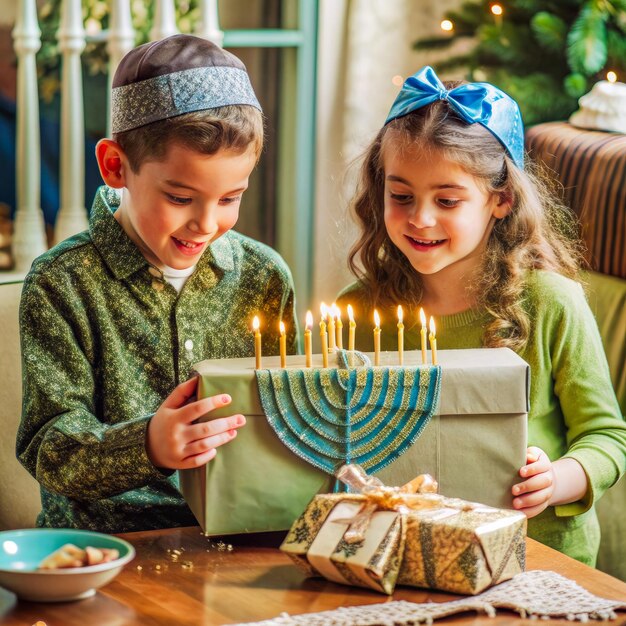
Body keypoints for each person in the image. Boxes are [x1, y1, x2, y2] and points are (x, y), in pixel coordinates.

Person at [337, 66, 626, 565]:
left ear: (502, 200)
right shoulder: (355, 313)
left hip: (536, 557)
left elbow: (607, 437)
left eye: (447, 200)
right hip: (396, 552)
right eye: (400, 196)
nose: (420, 218)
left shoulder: (550, 303)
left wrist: (559, 479)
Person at [17, 34, 298, 533]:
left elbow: (288, 419)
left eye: (230, 198)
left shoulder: (265, 277)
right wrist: (146, 444)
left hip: (243, 538)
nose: (206, 224)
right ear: (115, 166)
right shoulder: (62, 283)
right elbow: (50, 448)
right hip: (104, 549)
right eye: (180, 196)